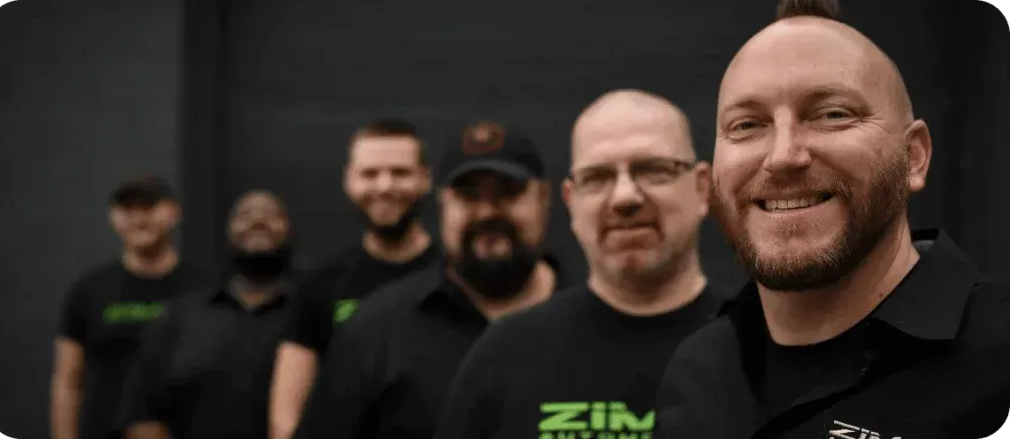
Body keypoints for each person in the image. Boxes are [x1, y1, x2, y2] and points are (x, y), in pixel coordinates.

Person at [654, 0, 1010, 437]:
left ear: (913, 158)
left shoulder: (997, 364)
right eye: (746, 125)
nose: (782, 156)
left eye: (832, 114)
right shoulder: (698, 368)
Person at [433, 89, 729, 439]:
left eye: (652, 170)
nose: (624, 197)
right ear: (571, 203)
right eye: (598, 177)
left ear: (701, 189)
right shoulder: (503, 355)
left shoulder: (756, 345)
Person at [291, 121, 569, 439]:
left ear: (544, 198)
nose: (487, 212)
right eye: (468, 195)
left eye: (508, 192)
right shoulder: (373, 333)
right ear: (443, 204)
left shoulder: (598, 322)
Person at [269, 118, 439, 439]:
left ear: (425, 179)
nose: (385, 186)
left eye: (400, 173)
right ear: (350, 181)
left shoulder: (458, 276)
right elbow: (285, 420)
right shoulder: (319, 287)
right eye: (370, 174)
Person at [120, 190, 296, 439]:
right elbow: (144, 415)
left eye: (272, 215)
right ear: (228, 232)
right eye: (244, 215)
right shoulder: (176, 320)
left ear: (290, 230)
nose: (258, 221)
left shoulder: (316, 316)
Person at [50, 175, 209, 439]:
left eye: (148, 207)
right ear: (113, 218)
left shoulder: (206, 289)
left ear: (174, 213)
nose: (138, 218)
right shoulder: (89, 291)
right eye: (127, 210)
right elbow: (67, 382)